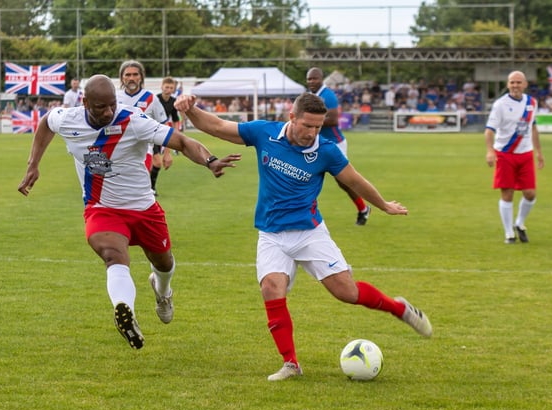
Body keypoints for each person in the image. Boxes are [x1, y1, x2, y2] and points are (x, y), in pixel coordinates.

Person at [175, 91, 432, 381]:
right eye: (307, 126)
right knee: (271, 288)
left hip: (310, 233)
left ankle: (400, 308)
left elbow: (355, 180)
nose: (312, 133)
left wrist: (383, 205)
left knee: (347, 293)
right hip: (271, 234)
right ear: (292, 117)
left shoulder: (327, 151)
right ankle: (291, 363)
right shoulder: (264, 133)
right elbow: (220, 127)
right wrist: (190, 110)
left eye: (317, 127)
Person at [17, 74, 241, 350]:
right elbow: (45, 124)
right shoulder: (67, 118)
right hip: (102, 208)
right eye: (101, 107)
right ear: (85, 102)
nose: (109, 112)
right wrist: (33, 164)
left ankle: (163, 292)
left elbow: (182, 142)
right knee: (113, 256)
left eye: (112, 105)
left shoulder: (133, 120)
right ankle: (125, 310)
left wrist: (210, 161)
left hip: (143, 208)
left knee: (164, 263)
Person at [485, 70, 544, 244]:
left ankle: (519, 223)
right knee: (507, 193)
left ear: (525, 84)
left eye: (519, 82)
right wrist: (490, 151)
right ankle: (509, 232)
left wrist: (539, 152)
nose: (515, 85)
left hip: (526, 153)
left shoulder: (532, 102)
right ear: (507, 84)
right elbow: (489, 131)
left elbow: (533, 127)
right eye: (512, 82)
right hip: (505, 154)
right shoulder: (500, 104)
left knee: (530, 193)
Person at [306, 67, 371, 225]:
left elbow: (334, 120)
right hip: (318, 144)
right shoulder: (310, 96)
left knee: (345, 181)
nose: (311, 82)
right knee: (304, 175)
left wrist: (309, 122)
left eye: (314, 78)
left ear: (321, 79)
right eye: (309, 79)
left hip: (335, 144)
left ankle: (364, 209)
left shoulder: (328, 95)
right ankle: (304, 213)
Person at [117, 60, 173, 196]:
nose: (131, 78)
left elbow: (166, 125)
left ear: (141, 77)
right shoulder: (114, 98)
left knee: (138, 191)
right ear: (122, 78)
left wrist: (167, 153)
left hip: (142, 152)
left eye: (135, 74)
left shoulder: (151, 98)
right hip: (117, 152)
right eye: (128, 75)